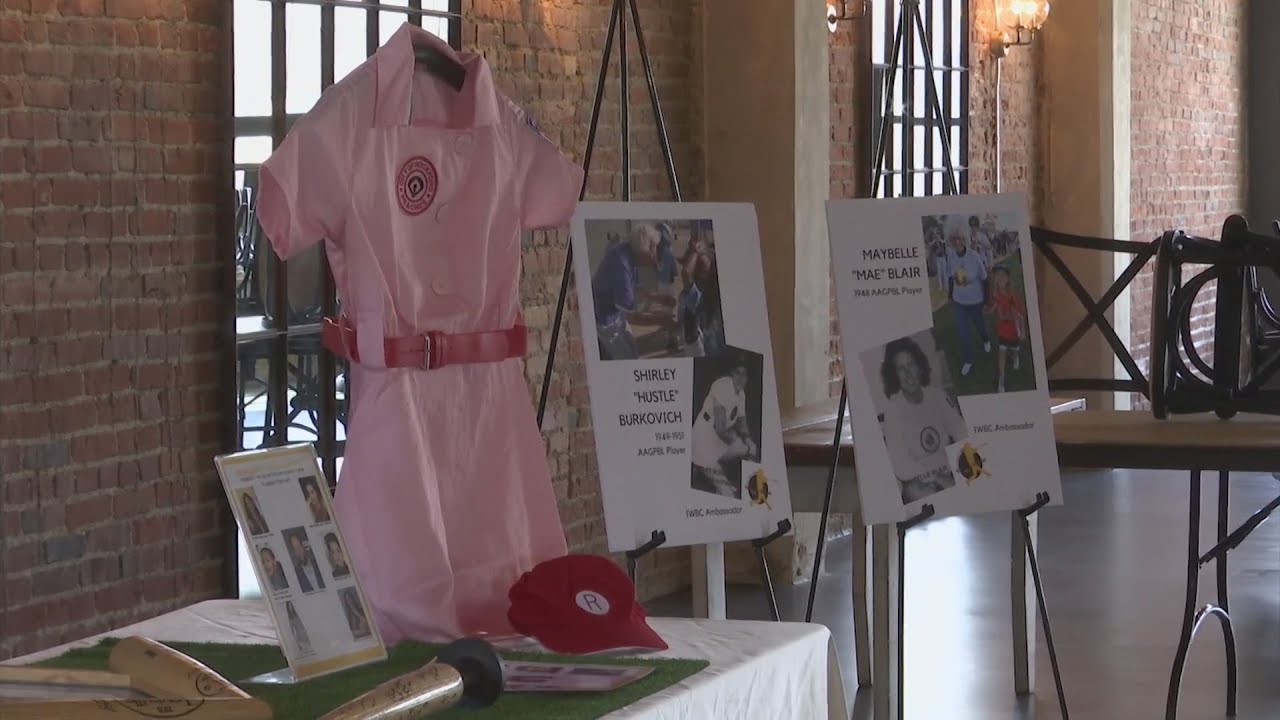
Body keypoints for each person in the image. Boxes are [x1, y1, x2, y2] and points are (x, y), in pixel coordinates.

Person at [878, 336, 968, 504]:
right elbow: (900, 464)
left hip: (950, 473)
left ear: (920, 367)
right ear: (895, 376)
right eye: (901, 369)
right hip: (920, 484)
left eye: (911, 364)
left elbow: (960, 430)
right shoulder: (893, 410)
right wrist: (937, 478)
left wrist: (960, 470)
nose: (908, 374)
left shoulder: (938, 397)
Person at [592, 226, 660, 360]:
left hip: (616, 315)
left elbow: (635, 285)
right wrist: (662, 320)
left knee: (633, 352)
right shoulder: (621, 263)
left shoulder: (629, 252)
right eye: (653, 248)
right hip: (603, 320)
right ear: (643, 250)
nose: (655, 254)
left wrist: (658, 298)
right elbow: (632, 316)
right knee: (627, 359)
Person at [690, 363, 756, 499]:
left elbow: (742, 419)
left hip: (718, 440)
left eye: (745, 375)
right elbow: (720, 428)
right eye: (738, 373)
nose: (741, 378)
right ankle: (699, 466)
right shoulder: (722, 386)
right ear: (732, 373)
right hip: (703, 439)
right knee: (729, 495)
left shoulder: (740, 393)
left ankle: (706, 471)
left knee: (750, 448)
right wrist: (738, 442)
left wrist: (748, 439)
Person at [946, 229, 991, 377]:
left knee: (980, 326)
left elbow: (985, 279)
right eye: (954, 240)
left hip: (975, 301)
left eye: (959, 239)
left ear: (964, 240)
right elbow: (951, 278)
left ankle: (986, 339)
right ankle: (968, 359)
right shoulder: (951, 256)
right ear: (951, 242)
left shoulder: (974, 256)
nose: (957, 242)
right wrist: (950, 297)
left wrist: (986, 301)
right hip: (959, 302)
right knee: (963, 333)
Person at [988, 266, 1027, 393]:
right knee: (1002, 352)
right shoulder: (996, 294)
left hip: (1013, 330)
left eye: (1002, 275)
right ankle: (1001, 379)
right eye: (997, 276)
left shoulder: (1012, 296)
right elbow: (995, 305)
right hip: (1002, 329)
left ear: (1008, 279)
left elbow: (1020, 315)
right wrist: (990, 310)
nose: (1000, 278)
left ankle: (1016, 357)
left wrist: (1022, 332)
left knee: (1015, 350)